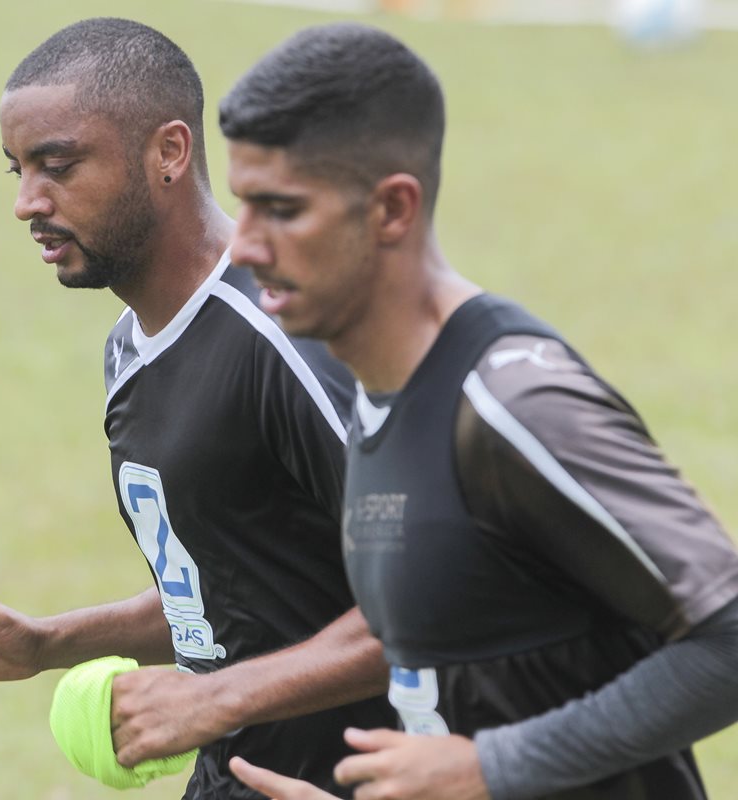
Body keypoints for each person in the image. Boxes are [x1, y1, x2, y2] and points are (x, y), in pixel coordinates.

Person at [217, 21, 738, 800]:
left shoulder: (514, 406)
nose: (243, 246)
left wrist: (492, 768)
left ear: (392, 209)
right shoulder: (373, 392)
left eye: (281, 210)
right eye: (243, 206)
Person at [0, 18, 397, 799]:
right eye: (17, 169)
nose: (27, 202)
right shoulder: (128, 349)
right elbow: (229, 591)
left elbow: (439, 595)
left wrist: (209, 701)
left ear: (169, 152)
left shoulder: (286, 339)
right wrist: (47, 644)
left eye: (57, 166)